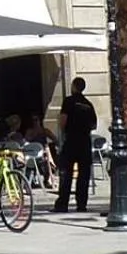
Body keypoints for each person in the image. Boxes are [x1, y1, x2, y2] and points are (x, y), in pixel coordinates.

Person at [55, 76, 97, 214]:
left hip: (71, 140)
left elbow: (63, 121)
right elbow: (94, 125)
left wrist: (64, 133)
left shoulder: (68, 101)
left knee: (66, 173)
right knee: (83, 175)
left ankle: (62, 204)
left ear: (73, 86)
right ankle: (81, 205)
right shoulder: (88, 104)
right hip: (84, 141)